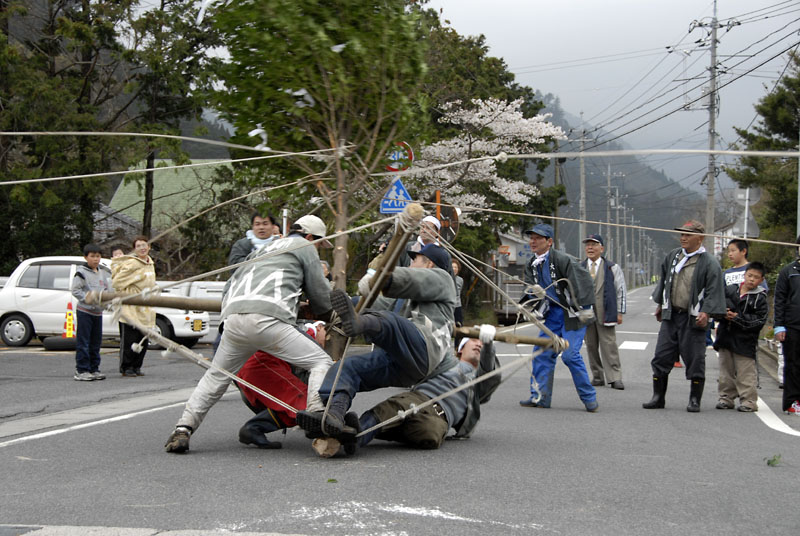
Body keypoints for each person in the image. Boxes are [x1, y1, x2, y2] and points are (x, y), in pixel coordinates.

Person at [165, 215, 335, 453]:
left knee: (216, 378)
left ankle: (183, 428)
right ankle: (317, 417)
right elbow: (320, 293)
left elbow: (230, 287)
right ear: (310, 237)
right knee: (320, 362)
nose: (318, 248)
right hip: (267, 319)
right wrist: (330, 313)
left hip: (233, 319)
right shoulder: (304, 246)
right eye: (319, 243)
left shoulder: (259, 251)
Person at [295, 242, 458, 439]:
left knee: (389, 321)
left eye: (414, 259)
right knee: (347, 368)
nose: (410, 263)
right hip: (403, 363)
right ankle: (334, 415)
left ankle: (358, 325)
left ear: (429, 263)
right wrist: (332, 305)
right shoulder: (404, 298)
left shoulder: (443, 279)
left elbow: (409, 279)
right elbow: (373, 303)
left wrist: (383, 279)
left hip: (425, 346)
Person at [355, 325, 500, 450]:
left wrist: (489, 345)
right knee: (395, 408)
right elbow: (424, 346)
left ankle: (361, 428)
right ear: (460, 349)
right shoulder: (445, 361)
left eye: (481, 342)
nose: (479, 344)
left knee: (430, 435)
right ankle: (355, 437)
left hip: (439, 420)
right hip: (421, 398)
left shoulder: (478, 384)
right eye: (474, 340)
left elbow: (491, 375)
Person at [643, 220, 726, 412]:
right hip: (671, 315)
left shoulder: (709, 263)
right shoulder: (673, 256)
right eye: (682, 234)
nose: (683, 238)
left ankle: (694, 399)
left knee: (695, 359)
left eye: (688, 235)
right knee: (661, 356)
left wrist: (707, 311)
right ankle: (658, 397)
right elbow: (664, 281)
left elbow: (714, 291)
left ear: (700, 238)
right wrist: (660, 305)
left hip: (693, 318)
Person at [518, 223, 598, 412]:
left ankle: (589, 398)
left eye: (538, 238)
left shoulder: (563, 259)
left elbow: (584, 280)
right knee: (541, 352)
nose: (533, 241)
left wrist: (585, 307)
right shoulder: (532, 263)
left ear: (549, 241)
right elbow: (528, 288)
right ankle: (540, 396)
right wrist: (531, 297)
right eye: (531, 238)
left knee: (570, 355)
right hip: (553, 314)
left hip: (573, 314)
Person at [235, 322, 326, 449]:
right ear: (320, 328)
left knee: (291, 406)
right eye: (327, 336)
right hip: (260, 365)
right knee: (308, 403)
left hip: (254, 365)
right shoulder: (308, 332)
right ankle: (254, 427)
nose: (327, 340)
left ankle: (254, 429)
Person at [714, 262, 768, 412]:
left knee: (746, 372)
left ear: (762, 280)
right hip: (726, 336)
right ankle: (726, 398)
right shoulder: (730, 290)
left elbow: (759, 321)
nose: (751, 279)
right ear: (744, 275)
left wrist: (737, 318)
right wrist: (723, 313)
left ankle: (749, 401)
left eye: (756, 277)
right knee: (726, 371)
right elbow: (717, 306)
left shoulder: (760, 297)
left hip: (745, 340)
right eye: (749, 275)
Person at [580, 234, 627, 390]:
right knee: (591, 345)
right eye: (588, 245)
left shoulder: (611, 267)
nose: (590, 248)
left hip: (606, 311)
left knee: (609, 345)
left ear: (602, 248)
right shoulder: (579, 267)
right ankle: (597, 376)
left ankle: (615, 377)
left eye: (594, 244)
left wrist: (620, 312)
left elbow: (620, 290)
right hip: (586, 313)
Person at [111, 236, 157, 378]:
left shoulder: (150, 264)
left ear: (149, 247)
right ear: (135, 249)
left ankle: (137, 365)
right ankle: (126, 367)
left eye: (144, 245)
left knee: (143, 337)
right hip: (131, 305)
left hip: (146, 305)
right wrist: (133, 289)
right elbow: (117, 282)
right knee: (130, 339)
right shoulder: (131, 263)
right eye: (138, 246)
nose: (142, 248)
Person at [71, 244, 113, 381]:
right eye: (92, 256)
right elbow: (76, 290)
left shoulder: (103, 272)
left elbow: (107, 290)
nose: (96, 259)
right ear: (86, 257)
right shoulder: (81, 273)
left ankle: (94, 368)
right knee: (84, 341)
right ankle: (82, 370)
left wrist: (107, 302)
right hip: (85, 311)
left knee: (96, 342)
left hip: (98, 313)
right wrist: (87, 299)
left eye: (98, 256)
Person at [773, 236, 800, 415]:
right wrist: (779, 326)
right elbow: (779, 300)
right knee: (793, 365)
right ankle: (792, 401)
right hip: (793, 326)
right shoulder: (789, 271)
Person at [452, 258, 464, 327]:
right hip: (449, 305)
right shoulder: (446, 278)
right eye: (452, 267)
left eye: (456, 267)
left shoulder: (460, 280)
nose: (454, 269)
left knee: (459, 324)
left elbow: (460, 291)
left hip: (458, 305)